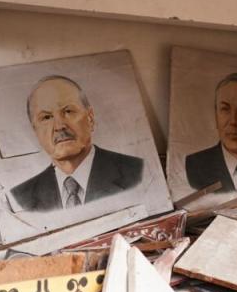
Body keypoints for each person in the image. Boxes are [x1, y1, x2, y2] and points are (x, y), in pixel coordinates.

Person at [10, 75, 143, 212]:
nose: (59, 126)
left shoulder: (139, 173)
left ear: (90, 118)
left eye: (68, 111)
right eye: (46, 117)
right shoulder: (20, 199)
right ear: (35, 130)